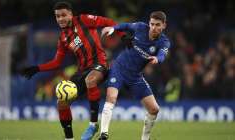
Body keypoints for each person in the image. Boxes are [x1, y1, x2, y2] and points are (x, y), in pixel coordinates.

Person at [20, 1, 122, 140]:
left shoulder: (83, 20)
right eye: (57, 16)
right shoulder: (63, 38)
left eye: (63, 15)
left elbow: (108, 21)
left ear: (71, 14)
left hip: (100, 64)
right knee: (61, 101)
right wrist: (37, 68)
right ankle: (69, 138)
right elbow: (57, 62)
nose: (61, 19)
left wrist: (121, 34)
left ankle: (93, 125)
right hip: (82, 70)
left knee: (90, 80)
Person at [98, 11, 171, 140]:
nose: (153, 27)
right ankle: (103, 134)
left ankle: (145, 138)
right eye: (152, 24)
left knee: (154, 109)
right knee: (111, 97)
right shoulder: (141, 27)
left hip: (135, 77)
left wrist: (157, 59)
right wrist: (112, 28)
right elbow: (125, 25)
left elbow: (162, 54)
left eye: (157, 25)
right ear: (149, 23)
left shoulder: (164, 42)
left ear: (164, 25)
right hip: (119, 68)